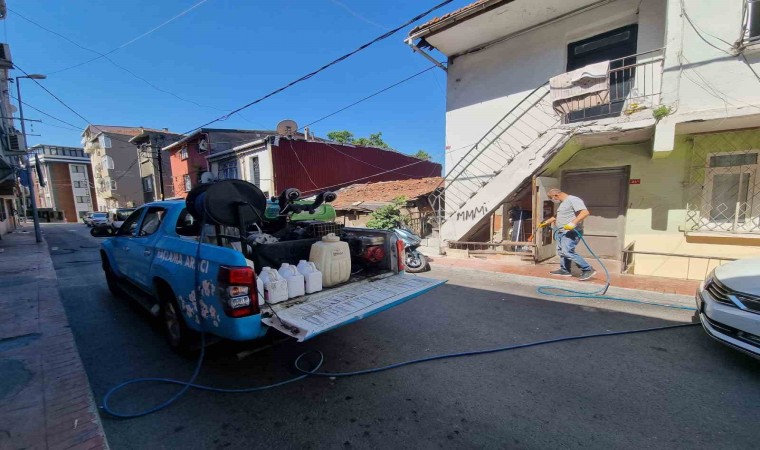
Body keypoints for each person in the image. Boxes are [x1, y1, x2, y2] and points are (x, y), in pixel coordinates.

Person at [539, 188, 596, 281]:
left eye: (551, 198)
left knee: (568, 252)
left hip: (571, 232)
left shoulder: (573, 200)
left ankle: (588, 269)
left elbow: (585, 212)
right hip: (562, 231)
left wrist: (573, 223)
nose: (552, 200)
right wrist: (547, 222)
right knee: (561, 251)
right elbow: (558, 216)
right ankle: (565, 270)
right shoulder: (563, 203)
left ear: (556, 195)